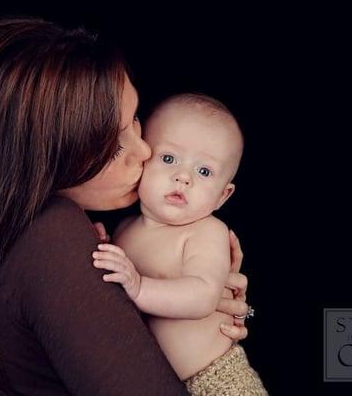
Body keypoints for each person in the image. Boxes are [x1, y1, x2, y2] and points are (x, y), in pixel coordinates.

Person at [0, 17, 252, 395]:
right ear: (47, 159)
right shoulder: (53, 233)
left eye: (134, 120)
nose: (145, 150)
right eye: (114, 146)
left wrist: (209, 317)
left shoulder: (14, 239)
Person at [91, 93, 268, 395]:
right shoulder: (124, 228)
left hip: (217, 379)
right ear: (145, 160)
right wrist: (102, 247)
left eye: (204, 171)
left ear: (222, 196)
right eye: (169, 158)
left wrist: (140, 287)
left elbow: (202, 296)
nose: (183, 177)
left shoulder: (206, 232)